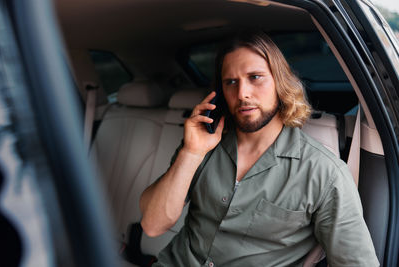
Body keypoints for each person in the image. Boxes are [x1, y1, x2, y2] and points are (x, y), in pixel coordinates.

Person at [139, 31, 379, 267]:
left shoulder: (325, 172)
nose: (242, 93)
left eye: (255, 77)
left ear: (280, 83)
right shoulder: (202, 146)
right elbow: (153, 225)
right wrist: (191, 153)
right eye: (231, 82)